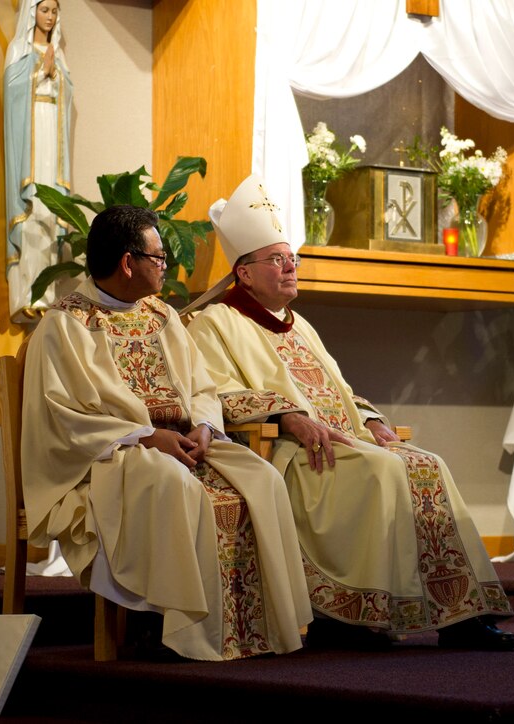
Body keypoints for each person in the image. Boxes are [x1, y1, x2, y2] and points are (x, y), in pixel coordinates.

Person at [186, 176, 514, 651]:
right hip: (289, 453)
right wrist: (287, 418)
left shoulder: (300, 325)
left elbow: (341, 389)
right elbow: (215, 393)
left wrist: (373, 419)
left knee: (427, 464)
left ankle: (461, 614)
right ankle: (357, 616)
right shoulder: (213, 322)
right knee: (383, 470)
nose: (290, 267)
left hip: (344, 440)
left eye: (291, 258)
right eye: (276, 260)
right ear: (244, 273)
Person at [20, 205, 312, 661]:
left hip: (186, 444)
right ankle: (183, 631)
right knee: (177, 487)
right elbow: (63, 420)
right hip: (113, 457)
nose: (164, 267)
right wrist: (146, 437)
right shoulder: (66, 326)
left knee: (263, 480)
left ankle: (260, 630)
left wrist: (203, 425)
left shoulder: (163, 316)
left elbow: (202, 385)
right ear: (127, 262)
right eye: (158, 257)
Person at [4, 0, 73, 323]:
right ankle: (27, 293)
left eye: (55, 11)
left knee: (50, 211)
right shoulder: (19, 48)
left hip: (51, 138)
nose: (50, 16)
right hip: (30, 143)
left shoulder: (58, 51)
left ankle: (47, 294)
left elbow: (68, 93)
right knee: (32, 210)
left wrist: (55, 74)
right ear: (32, 11)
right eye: (45, 9)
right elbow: (11, 91)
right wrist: (38, 73)